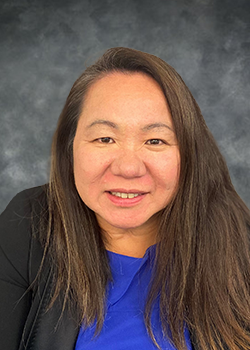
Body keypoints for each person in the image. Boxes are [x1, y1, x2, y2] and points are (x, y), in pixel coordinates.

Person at [0, 47, 250, 350]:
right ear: (71, 147)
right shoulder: (28, 223)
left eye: (155, 140)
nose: (128, 167)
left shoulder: (240, 241)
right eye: (105, 139)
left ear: (189, 152)